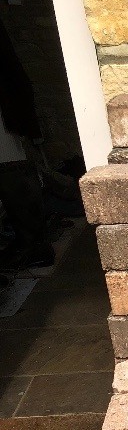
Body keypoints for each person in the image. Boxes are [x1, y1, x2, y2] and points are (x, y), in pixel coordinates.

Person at [0, 15, 55, 269]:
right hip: (9, 108)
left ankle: (35, 246)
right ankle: (29, 243)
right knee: (14, 176)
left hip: (6, 113)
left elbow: (12, 74)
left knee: (15, 176)